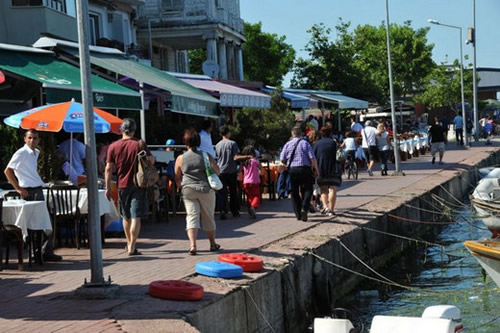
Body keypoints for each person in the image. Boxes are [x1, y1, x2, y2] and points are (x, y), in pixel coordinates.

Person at [4, 129, 62, 261]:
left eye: (35, 138)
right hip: (28, 191)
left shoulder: (36, 153)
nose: (32, 141)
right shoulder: (21, 153)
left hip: (37, 189)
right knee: (34, 224)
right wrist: (18, 188)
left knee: (43, 222)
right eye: (29, 138)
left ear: (38, 140)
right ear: (25, 139)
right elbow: (8, 171)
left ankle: (42, 252)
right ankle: (36, 254)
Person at [105, 118, 153, 256]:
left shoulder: (113, 147)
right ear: (133, 130)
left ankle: (128, 243)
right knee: (135, 216)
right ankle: (132, 245)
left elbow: (108, 168)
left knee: (125, 217)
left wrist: (108, 187)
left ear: (121, 130)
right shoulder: (139, 144)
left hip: (122, 185)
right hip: (138, 184)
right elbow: (151, 160)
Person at [174, 128, 221, 255]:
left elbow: (177, 175)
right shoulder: (206, 156)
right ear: (199, 142)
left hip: (188, 190)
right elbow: (217, 170)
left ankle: (193, 245)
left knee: (191, 216)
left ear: (185, 142)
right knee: (208, 217)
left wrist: (180, 185)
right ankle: (212, 244)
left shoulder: (180, 158)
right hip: (205, 189)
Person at [280, 126, 319, 222]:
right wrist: (316, 169)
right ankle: (304, 208)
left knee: (294, 192)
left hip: (292, 170)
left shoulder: (287, 144)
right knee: (308, 189)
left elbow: (282, 159)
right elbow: (312, 158)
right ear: (301, 134)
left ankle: (298, 214)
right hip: (305, 169)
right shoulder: (305, 143)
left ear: (292, 134)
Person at [215, 126, 250, 219]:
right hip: (231, 170)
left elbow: (217, 157)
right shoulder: (232, 143)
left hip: (221, 170)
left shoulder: (217, 145)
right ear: (228, 133)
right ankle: (234, 211)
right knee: (233, 191)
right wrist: (246, 157)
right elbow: (236, 157)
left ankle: (222, 210)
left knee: (222, 192)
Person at [313, 126, 339, 217]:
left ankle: (325, 206)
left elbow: (314, 157)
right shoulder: (334, 143)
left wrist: (315, 169)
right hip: (333, 168)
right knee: (332, 189)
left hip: (321, 169)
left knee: (323, 189)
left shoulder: (317, 144)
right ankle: (331, 210)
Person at [240, 146, 262, 219]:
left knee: (249, 197)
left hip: (246, 181)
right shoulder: (255, 161)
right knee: (256, 196)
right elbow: (261, 170)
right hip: (254, 181)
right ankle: (254, 207)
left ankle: (251, 212)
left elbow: (240, 171)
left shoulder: (243, 162)